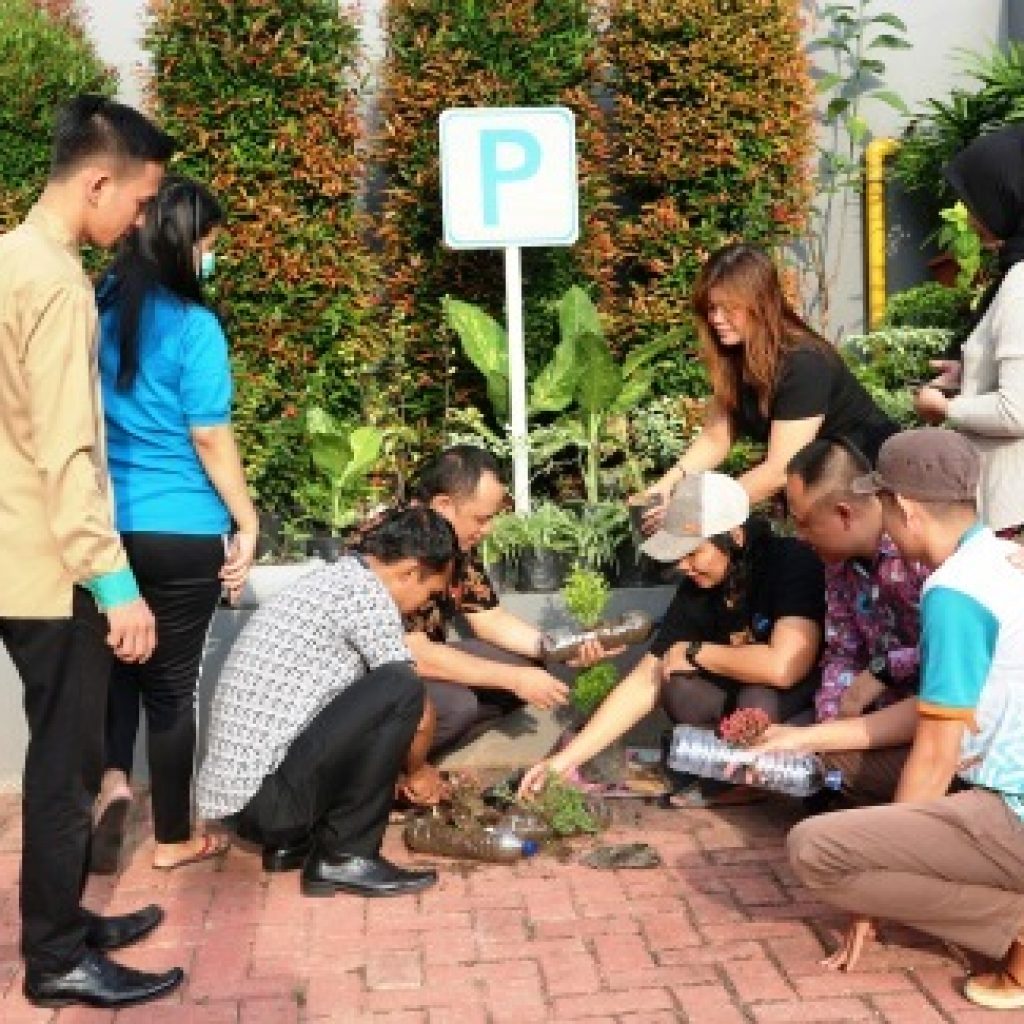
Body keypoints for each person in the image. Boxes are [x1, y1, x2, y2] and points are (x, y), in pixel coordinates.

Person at [0, 95, 183, 1009]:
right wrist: (116, 584)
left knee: (57, 758)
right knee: (67, 770)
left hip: (17, 550)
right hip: (54, 564)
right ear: (99, 182)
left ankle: (65, 922)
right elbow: (68, 450)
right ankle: (56, 958)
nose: (141, 221)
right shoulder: (59, 285)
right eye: (142, 202)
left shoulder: (11, 258)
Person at [764, 429, 1024, 1011]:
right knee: (842, 765)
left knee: (815, 850)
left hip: (1012, 810)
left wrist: (877, 890)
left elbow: (934, 755)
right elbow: (932, 711)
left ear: (903, 507)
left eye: (881, 503)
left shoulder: (954, 591)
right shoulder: (1003, 559)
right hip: (997, 780)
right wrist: (805, 735)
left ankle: (1015, 926)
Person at [88, 176, 260, 874]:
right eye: (210, 247)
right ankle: (173, 839)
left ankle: (111, 786)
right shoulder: (196, 327)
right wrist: (246, 522)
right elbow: (211, 437)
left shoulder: (98, 307)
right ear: (183, 244)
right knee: (171, 688)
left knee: (116, 672)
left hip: (105, 526)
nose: (212, 260)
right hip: (182, 526)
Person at [519, 472, 825, 807]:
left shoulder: (790, 562)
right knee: (675, 683)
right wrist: (564, 762)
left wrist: (696, 651)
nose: (683, 565)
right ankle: (734, 772)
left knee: (757, 697)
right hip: (740, 709)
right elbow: (642, 681)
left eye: (693, 552)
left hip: (801, 705)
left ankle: (753, 775)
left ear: (734, 536)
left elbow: (785, 668)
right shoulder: (699, 585)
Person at [196, 506, 454, 896]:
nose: (423, 606)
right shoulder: (368, 597)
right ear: (410, 571)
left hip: (240, 803)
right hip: (266, 804)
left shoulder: (337, 578)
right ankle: (346, 855)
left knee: (379, 692)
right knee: (401, 688)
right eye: (429, 593)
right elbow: (412, 703)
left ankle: (296, 844)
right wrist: (418, 772)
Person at [349, 446, 613, 756]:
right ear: (443, 505)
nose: (488, 530)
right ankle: (388, 778)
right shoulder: (391, 545)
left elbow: (490, 620)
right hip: (370, 683)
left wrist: (563, 647)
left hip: (415, 666)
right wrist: (514, 679)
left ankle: (419, 762)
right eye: (481, 518)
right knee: (457, 705)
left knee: (528, 664)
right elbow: (412, 653)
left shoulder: (450, 539)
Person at [641, 243, 898, 529]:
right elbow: (716, 439)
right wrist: (663, 488)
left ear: (760, 304)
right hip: (827, 492)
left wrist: (695, 513)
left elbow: (779, 470)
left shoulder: (804, 364)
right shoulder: (735, 358)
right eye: (711, 308)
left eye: (729, 308)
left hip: (876, 491)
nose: (716, 319)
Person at [783, 437, 929, 804]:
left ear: (844, 513)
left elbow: (960, 653)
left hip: (940, 717)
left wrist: (884, 669)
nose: (799, 538)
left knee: (827, 772)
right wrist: (831, 725)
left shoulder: (924, 551)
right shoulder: (838, 565)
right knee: (801, 755)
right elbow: (843, 653)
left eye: (804, 524)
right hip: (877, 714)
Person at [915, 124, 1024, 534]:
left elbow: (1017, 412)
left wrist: (945, 408)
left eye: (975, 199)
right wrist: (971, 374)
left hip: (1013, 512)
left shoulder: (1021, 284)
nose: (970, 214)